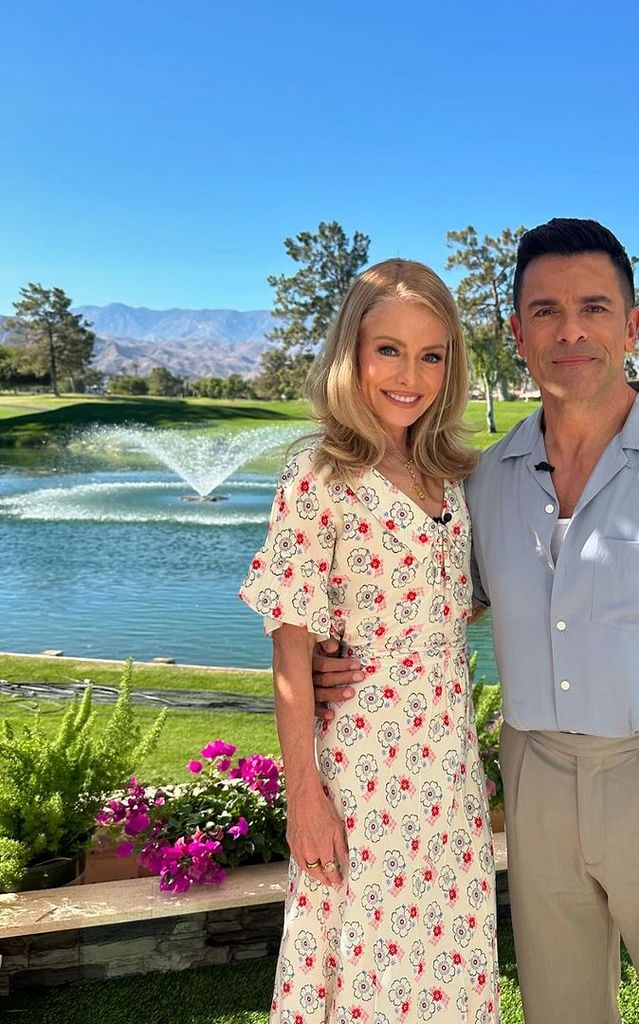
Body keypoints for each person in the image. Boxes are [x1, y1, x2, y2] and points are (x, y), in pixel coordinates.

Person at [314, 220, 639, 1024]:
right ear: (515, 332)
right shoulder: (487, 483)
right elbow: (433, 602)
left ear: (632, 323)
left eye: (594, 307)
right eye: (544, 310)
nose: (570, 330)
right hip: (534, 782)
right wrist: (329, 654)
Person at [239, 258, 499, 1024]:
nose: (409, 374)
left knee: (447, 962)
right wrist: (304, 800)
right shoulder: (319, 477)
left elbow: (453, 603)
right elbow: (290, 657)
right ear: (351, 351)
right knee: (368, 967)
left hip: (446, 768)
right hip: (364, 774)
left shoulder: (446, 477)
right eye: (388, 349)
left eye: (431, 354)